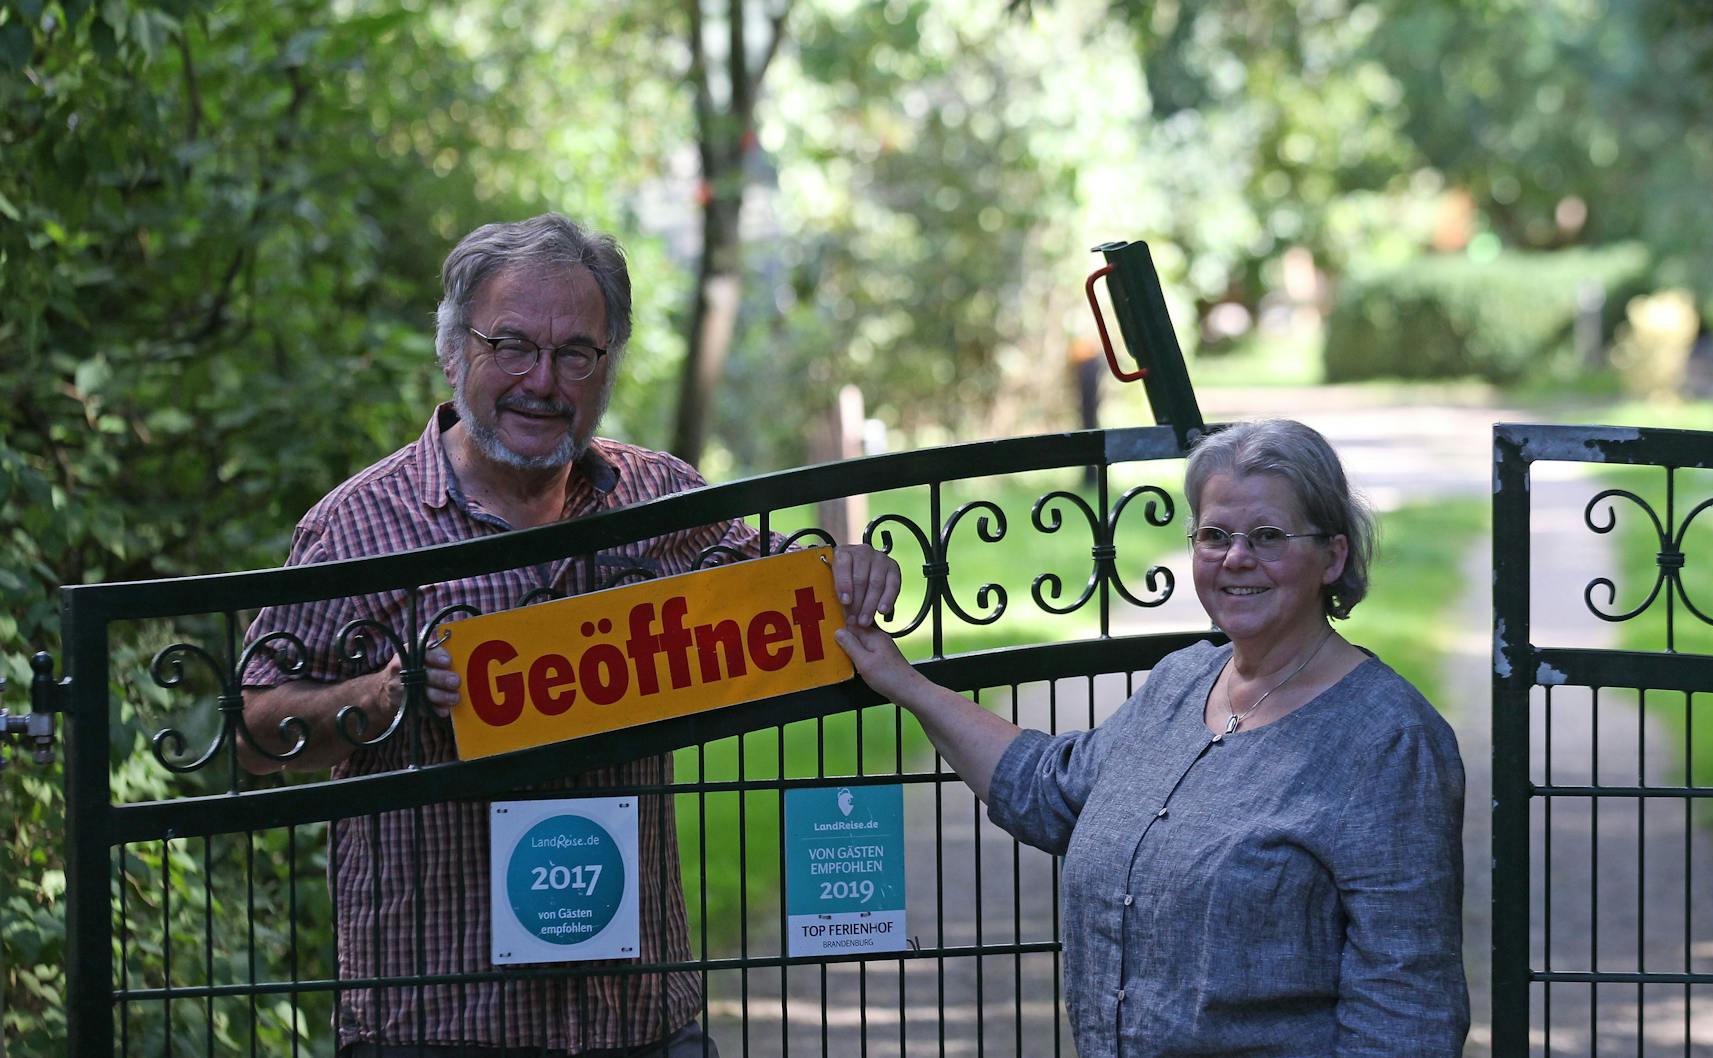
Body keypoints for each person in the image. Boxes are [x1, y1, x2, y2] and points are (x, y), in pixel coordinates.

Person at [238, 213, 899, 1057]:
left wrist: (849, 574)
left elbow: (784, 587)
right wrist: (387, 696)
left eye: (574, 354)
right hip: (437, 1025)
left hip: (638, 1020)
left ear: (607, 366)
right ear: (453, 354)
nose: (542, 382)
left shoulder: (660, 500)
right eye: (511, 346)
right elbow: (254, 735)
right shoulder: (358, 527)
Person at [835, 419, 1467, 1057]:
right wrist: (903, 682)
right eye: (1214, 535)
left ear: (1332, 555)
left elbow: (1406, 1008)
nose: (1236, 557)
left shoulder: (1388, 740)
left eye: (1269, 536)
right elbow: (1051, 788)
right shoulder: (1182, 682)